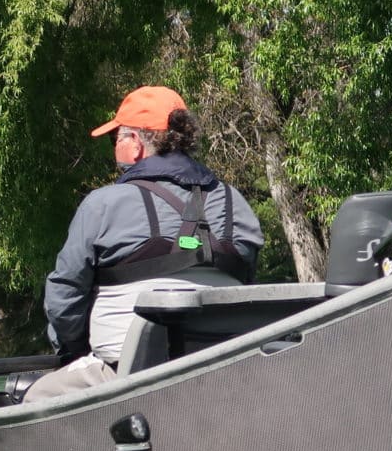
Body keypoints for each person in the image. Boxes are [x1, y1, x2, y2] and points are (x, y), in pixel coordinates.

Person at [21, 86, 263, 402]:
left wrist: (73, 352)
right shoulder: (236, 204)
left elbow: (65, 297)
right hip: (219, 373)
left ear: (135, 144)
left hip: (125, 374)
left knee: (34, 398)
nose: (114, 148)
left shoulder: (102, 205)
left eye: (116, 138)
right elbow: (246, 285)